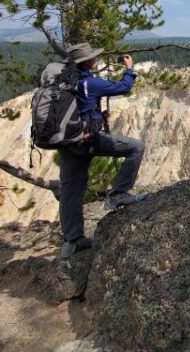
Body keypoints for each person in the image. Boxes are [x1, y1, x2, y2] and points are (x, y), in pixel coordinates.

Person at [59, 43, 146, 258]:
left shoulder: (65, 81)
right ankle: (117, 194)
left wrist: (97, 116)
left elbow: (79, 108)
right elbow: (123, 87)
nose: (95, 60)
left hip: (66, 142)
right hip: (88, 141)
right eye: (92, 58)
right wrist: (129, 69)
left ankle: (72, 242)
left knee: (70, 192)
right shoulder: (89, 82)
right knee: (136, 148)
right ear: (87, 62)